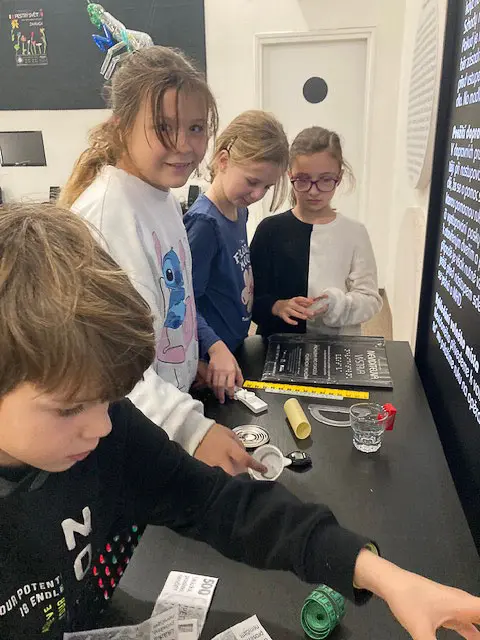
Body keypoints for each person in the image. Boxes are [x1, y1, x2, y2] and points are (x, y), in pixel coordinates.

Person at [2, 203, 480, 640]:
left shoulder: (112, 432)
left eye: (110, 398)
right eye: (68, 408)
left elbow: (219, 503)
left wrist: (383, 576)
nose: (102, 427)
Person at [59, 46, 259, 475]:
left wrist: (188, 364)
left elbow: (170, 308)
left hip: (165, 415)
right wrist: (191, 428)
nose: (185, 146)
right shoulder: (107, 214)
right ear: (121, 127)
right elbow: (107, 364)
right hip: (127, 436)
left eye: (196, 128)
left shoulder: (162, 197)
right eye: (164, 127)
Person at [184, 111, 288, 402]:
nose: (257, 194)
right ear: (223, 161)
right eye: (252, 181)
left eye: (266, 187)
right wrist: (213, 348)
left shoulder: (239, 210)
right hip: (211, 359)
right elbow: (184, 303)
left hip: (233, 346)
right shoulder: (205, 223)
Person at [251, 126, 382, 339]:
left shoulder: (354, 233)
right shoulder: (269, 230)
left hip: (337, 345)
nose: (313, 191)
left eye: (325, 180)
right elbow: (251, 298)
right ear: (290, 175)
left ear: (339, 177)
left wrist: (337, 304)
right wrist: (277, 306)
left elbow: (370, 300)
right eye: (303, 180)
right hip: (280, 343)